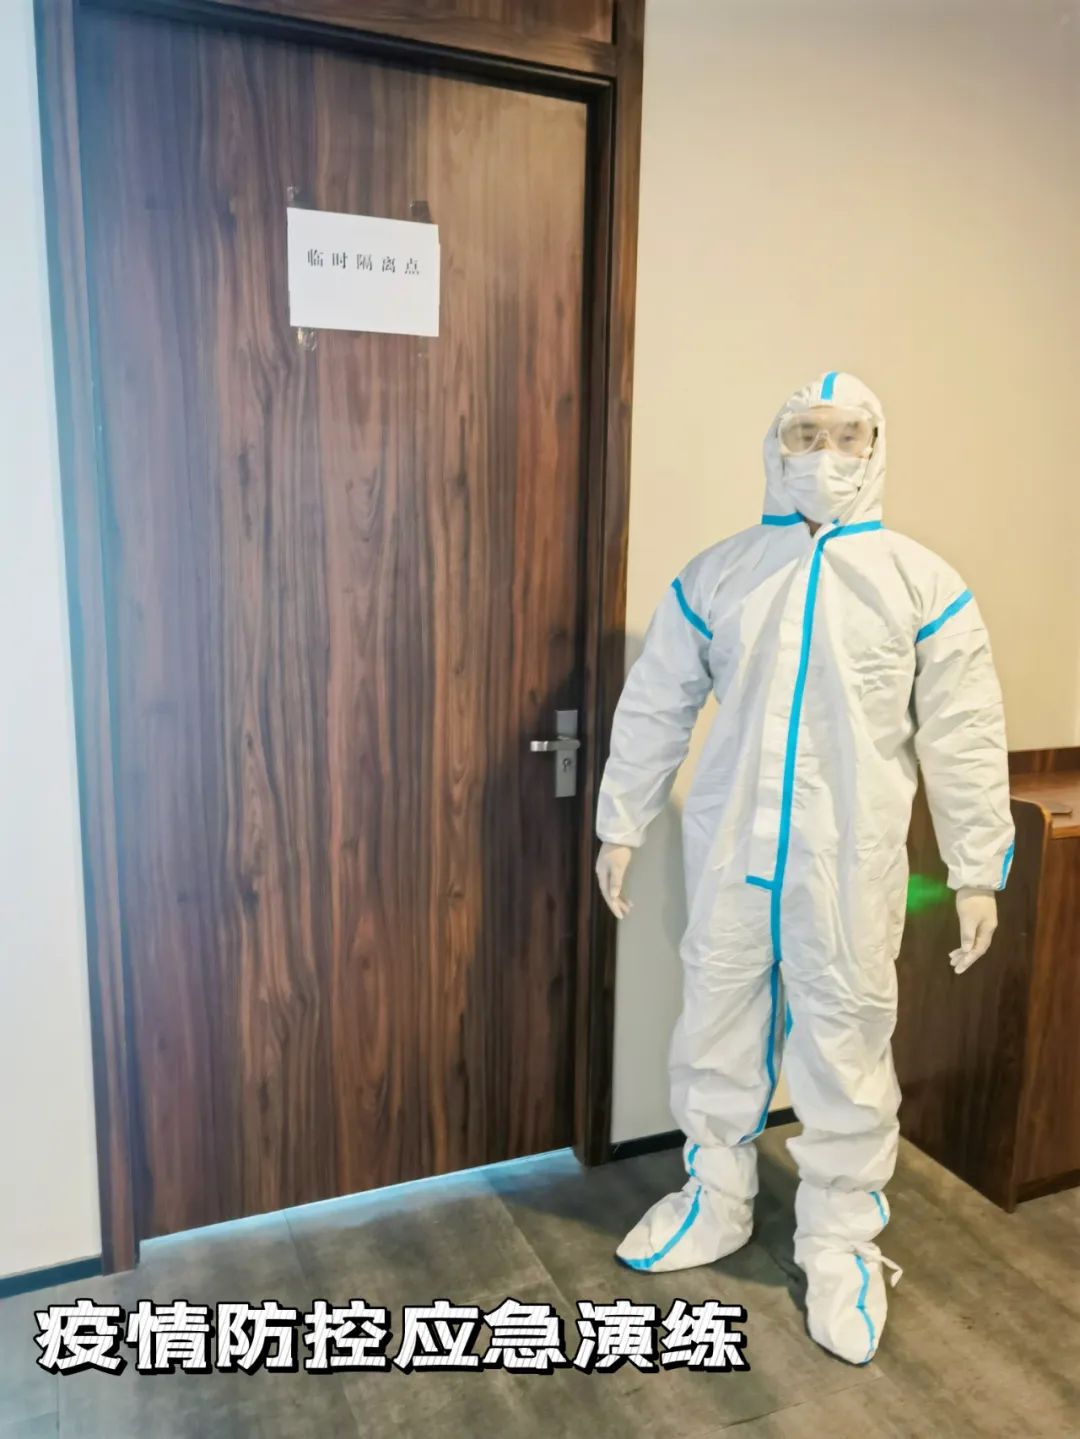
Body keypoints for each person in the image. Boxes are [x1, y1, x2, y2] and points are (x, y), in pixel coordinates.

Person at [595, 371, 1013, 1365]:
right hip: (732, 855)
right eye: (805, 434)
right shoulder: (720, 576)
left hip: (849, 865)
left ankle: (840, 1236)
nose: (825, 454)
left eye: (847, 434)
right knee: (716, 1019)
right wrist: (621, 821)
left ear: (878, 444)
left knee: (846, 1039)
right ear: (774, 445)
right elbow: (656, 703)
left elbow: (963, 731)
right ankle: (717, 1194)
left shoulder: (920, 585)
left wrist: (976, 868)